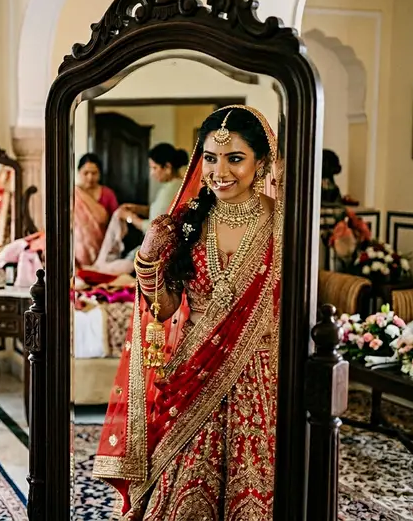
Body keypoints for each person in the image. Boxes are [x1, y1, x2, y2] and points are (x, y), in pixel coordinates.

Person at [93, 105, 283, 521]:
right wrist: (146, 260)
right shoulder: (189, 223)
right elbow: (162, 311)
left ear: (262, 161)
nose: (220, 171)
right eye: (211, 158)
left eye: (235, 158)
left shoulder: (283, 225)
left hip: (257, 379)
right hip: (191, 376)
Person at [92, 143, 188, 274]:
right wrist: (137, 209)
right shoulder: (173, 186)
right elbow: (160, 212)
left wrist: (129, 217)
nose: (151, 173)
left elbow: (153, 228)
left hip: (159, 251)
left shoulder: (172, 189)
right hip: (154, 246)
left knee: (107, 271)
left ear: (167, 167)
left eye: (154, 168)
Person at [75, 153, 119, 266]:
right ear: (79, 172)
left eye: (94, 173)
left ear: (99, 173)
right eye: (86, 173)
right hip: (77, 249)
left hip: (103, 246)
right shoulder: (73, 193)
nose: (90, 177)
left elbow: (115, 221)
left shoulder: (108, 194)